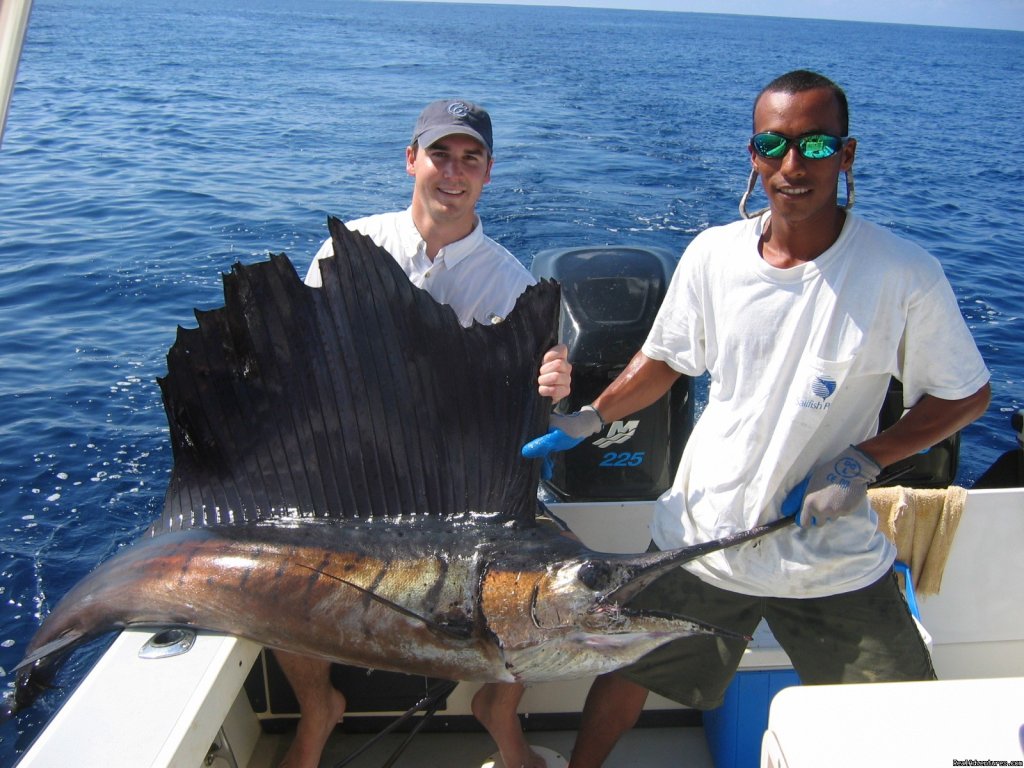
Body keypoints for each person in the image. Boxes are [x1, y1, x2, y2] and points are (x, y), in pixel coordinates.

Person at [524, 70, 991, 768]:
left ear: (848, 154)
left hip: (826, 548)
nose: (792, 165)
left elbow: (965, 397)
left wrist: (866, 460)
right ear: (753, 154)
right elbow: (665, 361)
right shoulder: (714, 254)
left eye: (815, 143)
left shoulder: (903, 272)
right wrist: (590, 418)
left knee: (905, 713)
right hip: (703, 534)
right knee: (628, 671)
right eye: (772, 143)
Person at [275, 99, 570, 768]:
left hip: (452, 480)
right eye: (441, 155)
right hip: (351, 471)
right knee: (284, 566)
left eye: (471, 160)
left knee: (551, 571)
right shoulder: (351, 247)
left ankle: (498, 705)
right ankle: (318, 705)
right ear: (412, 160)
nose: (453, 173)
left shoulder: (511, 284)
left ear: (489, 173)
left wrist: (552, 380)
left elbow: (528, 409)